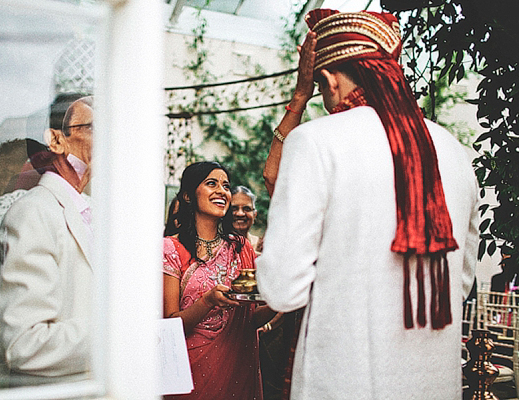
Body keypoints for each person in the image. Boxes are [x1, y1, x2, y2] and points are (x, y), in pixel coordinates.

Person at [257, 9, 479, 399]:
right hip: (433, 384)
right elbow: (460, 283)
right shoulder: (454, 151)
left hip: (343, 382)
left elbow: (282, 289)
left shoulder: (315, 141)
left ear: (327, 79)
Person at [0, 96, 94, 388]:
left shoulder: (94, 212)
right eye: (96, 127)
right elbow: (25, 344)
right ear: (56, 141)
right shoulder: (32, 213)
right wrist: (121, 333)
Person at [162, 161, 267, 399]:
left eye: (226, 186)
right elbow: (170, 325)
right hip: (190, 375)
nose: (222, 191)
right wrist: (207, 301)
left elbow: (250, 319)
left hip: (237, 371)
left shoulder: (241, 248)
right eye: (212, 184)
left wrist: (279, 305)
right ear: (188, 195)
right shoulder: (170, 249)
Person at [231, 185, 262, 255]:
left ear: (254, 215)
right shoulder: (216, 247)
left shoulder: (263, 246)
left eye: (247, 209)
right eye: (234, 208)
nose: (240, 214)